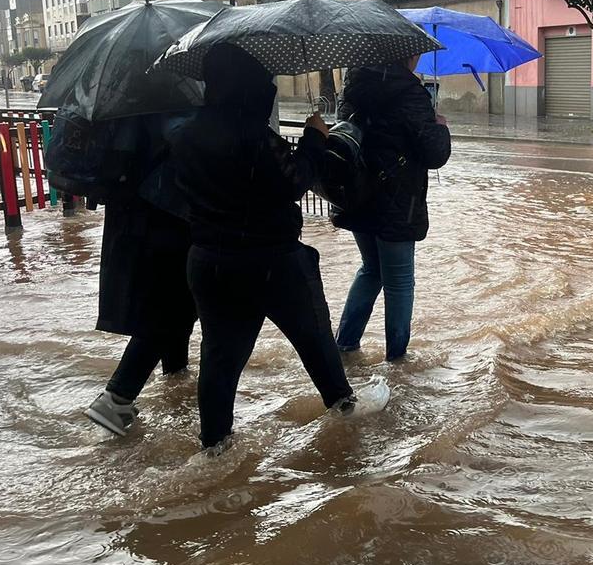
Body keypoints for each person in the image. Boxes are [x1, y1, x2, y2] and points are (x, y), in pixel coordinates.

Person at [168, 43, 387, 453]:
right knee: (315, 339)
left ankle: (215, 445)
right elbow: (291, 183)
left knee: (219, 358)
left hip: (210, 260)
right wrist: (313, 140)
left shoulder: (184, 134)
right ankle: (345, 408)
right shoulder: (253, 136)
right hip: (271, 260)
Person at [83, 116, 197, 437]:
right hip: (165, 212)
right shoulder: (169, 103)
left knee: (174, 301)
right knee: (174, 307)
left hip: (138, 211)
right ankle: (117, 398)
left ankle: (176, 381)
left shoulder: (132, 100)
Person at [332, 56, 451, 362]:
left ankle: (344, 344)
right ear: (407, 55)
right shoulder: (411, 93)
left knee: (371, 269)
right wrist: (440, 128)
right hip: (397, 200)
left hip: (358, 193)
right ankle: (397, 359)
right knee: (398, 281)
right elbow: (434, 154)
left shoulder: (353, 87)